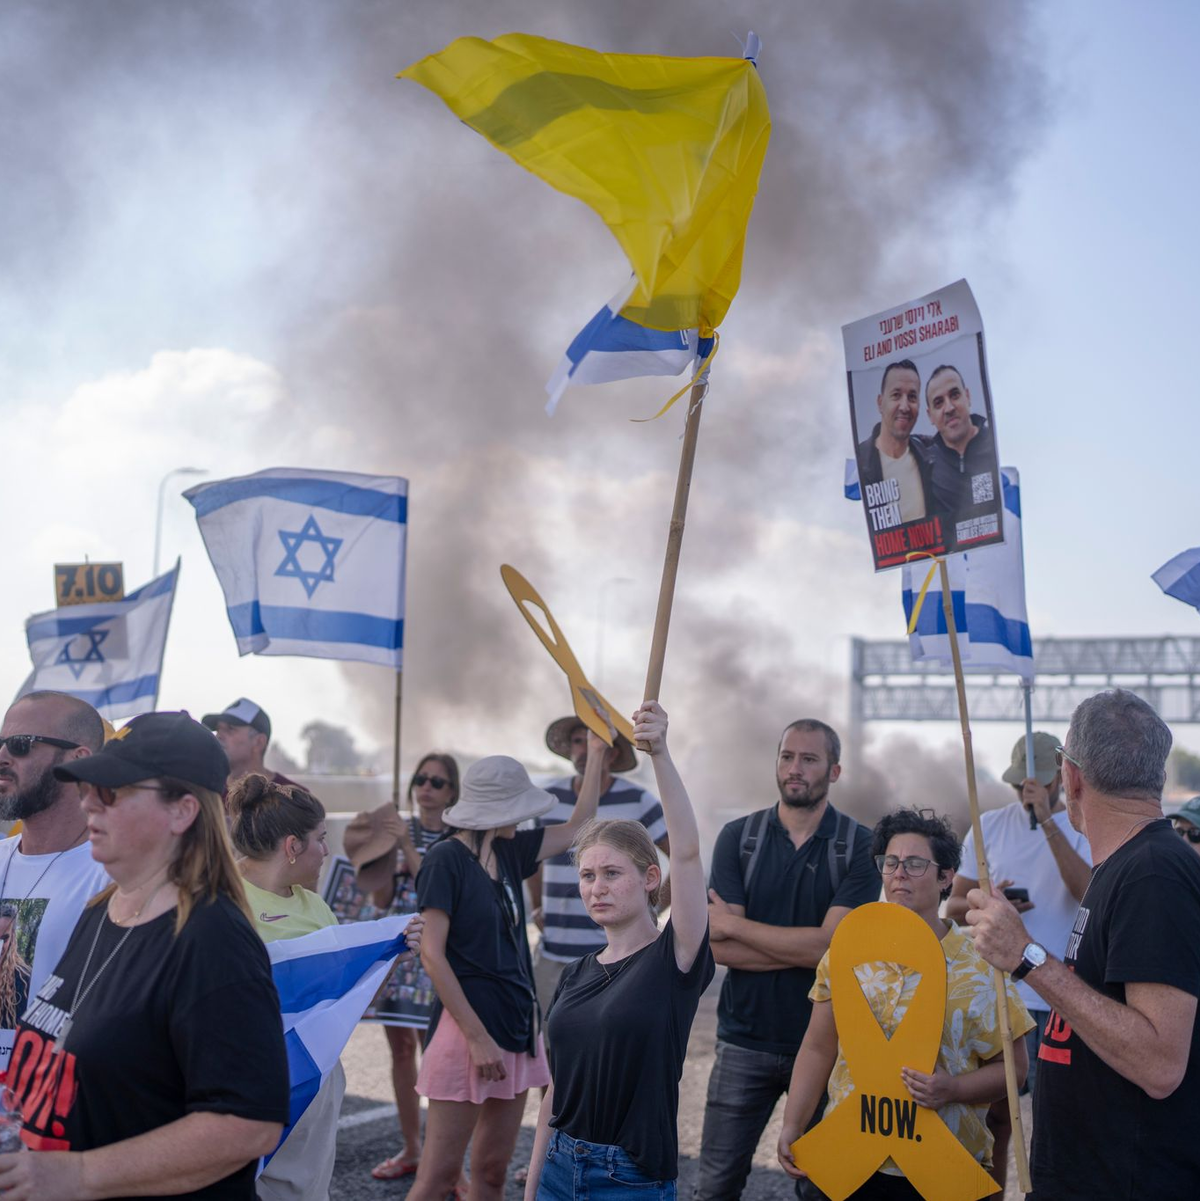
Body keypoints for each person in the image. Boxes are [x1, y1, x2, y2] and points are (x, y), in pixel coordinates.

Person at [0, 711, 290, 1200]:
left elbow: (248, 1124)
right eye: (88, 787)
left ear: (182, 811)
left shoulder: (211, 939)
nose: (89, 802)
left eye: (111, 791)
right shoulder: (101, 913)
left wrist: (79, 1174)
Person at [967, 689, 1200, 1199]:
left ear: (1070, 777)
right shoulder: (1127, 865)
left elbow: (1160, 1063)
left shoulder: (1152, 873)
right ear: (1156, 775)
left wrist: (1026, 957)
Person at [777, 808, 1031, 1199]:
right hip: (850, 1160)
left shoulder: (982, 965)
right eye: (890, 862)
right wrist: (792, 1123)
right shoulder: (847, 949)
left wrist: (953, 1089)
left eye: (914, 864)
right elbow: (818, 1045)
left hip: (939, 1171)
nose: (898, 873)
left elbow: (1014, 1070)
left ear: (946, 876)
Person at [404, 737, 607, 1201]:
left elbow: (580, 826)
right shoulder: (445, 860)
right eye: (517, 809)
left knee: (493, 1172)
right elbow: (432, 954)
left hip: (517, 1027)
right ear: (497, 811)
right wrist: (477, 1039)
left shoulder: (510, 850)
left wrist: (595, 756)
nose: (524, 818)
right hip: (466, 1033)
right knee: (437, 1179)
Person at [525, 701, 713, 1198]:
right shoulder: (575, 972)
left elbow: (689, 854)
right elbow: (554, 1095)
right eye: (588, 875)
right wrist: (533, 1185)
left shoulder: (675, 959)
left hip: (628, 1178)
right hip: (558, 1168)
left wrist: (661, 754)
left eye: (612, 874)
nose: (596, 888)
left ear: (651, 878)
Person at [696, 719, 881, 1201]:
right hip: (743, 1042)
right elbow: (717, 946)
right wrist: (813, 949)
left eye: (809, 758)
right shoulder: (739, 838)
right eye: (786, 756)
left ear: (834, 770)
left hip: (829, 1047)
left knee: (824, 1190)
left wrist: (739, 926)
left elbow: (833, 949)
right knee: (715, 1186)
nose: (794, 768)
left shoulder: (860, 846)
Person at [944, 731, 1091, 1188]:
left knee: (1057, 1122)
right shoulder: (989, 825)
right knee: (993, 1119)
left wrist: (1049, 822)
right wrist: (987, 900)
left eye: (1040, 782)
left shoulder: (1082, 827)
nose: (1027, 793)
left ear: (1060, 781)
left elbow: (1088, 893)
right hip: (997, 994)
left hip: (1057, 997)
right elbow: (951, 905)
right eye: (1021, 784)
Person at [231, 772, 364, 1201]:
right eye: (321, 839)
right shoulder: (219, 898)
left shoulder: (315, 905)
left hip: (314, 1077)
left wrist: (388, 956)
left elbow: (342, 1000)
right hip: (248, 1080)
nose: (327, 851)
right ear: (292, 846)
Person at [345, 752, 459, 1182]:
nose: (426, 787)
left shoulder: (459, 834)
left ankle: (445, 1161)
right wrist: (384, 850)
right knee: (402, 1050)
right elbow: (378, 898)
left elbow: (435, 884)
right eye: (421, 778)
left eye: (437, 781)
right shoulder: (396, 828)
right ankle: (412, 1147)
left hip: (441, 952)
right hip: (400, 950)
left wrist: (407, 847)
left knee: (441, 1053)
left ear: (453, 791)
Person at [528, 716, 669, 1030]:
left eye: (593, 742)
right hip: (555, 949)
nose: (584, 750)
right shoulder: (547, 800)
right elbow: (531, 860)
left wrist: (652, 907)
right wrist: (537, 904)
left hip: (617, 954)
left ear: (613, 753)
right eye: (578, 741)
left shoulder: (640, 800)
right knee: (550, 1047)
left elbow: (679, 858)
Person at [0, 691, 108, 1074]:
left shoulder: (114, 876)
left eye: (21, 745)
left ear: (79, 762)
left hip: (56, 1120)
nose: (2, 758)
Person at [922, 365, 998, 538]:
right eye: (938, 402)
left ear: (968, 397)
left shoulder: (997, 445)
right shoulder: (924, 462)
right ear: (930, 416)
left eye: (954, 395)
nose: (949, 408)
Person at [854, 359, 935, 523]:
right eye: (896, 395)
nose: (904, 407)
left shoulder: (932, 454)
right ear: (880, 403)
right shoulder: (859, 463)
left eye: (912, 397)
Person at [203, 698, 298, 793]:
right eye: (218, 729)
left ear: (259, 742)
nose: (219, 735)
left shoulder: (292, 797)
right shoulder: (206, 792)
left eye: (230, 729)